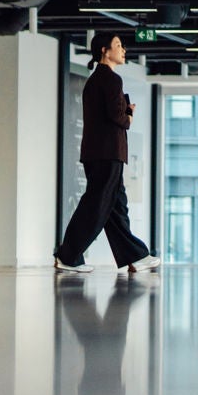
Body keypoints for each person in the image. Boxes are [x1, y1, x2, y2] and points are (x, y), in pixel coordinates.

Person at [54, 31, 159, 275]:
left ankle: (136, 256)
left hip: (98, 152)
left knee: (116, 207)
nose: (123, 50)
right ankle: (68, 254)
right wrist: (129, 114)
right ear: (104, 50)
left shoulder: (96, 79)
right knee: (96, 205)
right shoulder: (111, 79)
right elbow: (118, 117)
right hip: (107, 153)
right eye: (118, 45)